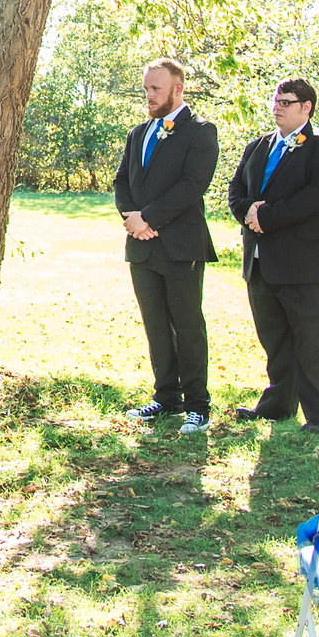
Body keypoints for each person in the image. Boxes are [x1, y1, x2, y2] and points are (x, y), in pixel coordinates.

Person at [226, 78, 319, 433]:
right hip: (262, 260)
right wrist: (249, 213)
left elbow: (316, 197)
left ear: (306, 107)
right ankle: (278, 405)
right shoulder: (258, 146)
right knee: (275, 338)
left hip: (309, 266)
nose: (277, 107)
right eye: (276, 100)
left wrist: (265, 217)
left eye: (286, 101)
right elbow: (236, 191)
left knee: (314, 342)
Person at [115, 58, 220, 434]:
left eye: (155, 89)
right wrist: (132, 218)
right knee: (156, 324)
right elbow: (122, 181)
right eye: (146, 88)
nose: (148, 95)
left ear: (178, 89)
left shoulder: (201, 132)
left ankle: (198, 405)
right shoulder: (138, 133)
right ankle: (166, 398)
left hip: (180, 246)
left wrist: (150, 218)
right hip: (142, 247)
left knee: (187, 324)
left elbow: (192, 186)